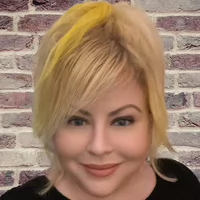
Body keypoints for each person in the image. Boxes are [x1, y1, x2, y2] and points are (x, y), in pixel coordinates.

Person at [1, 1, 199, 200]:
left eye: (122, 121)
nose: (99, 147)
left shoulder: (181, 185)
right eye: (76, 121)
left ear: (151, 118)